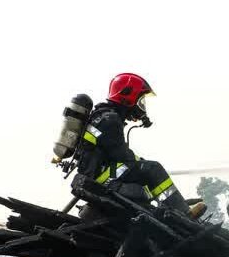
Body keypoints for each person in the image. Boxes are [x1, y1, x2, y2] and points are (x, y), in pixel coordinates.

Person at [74, 73, 203, 216]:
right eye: (140, 101)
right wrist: (142, 163)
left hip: (98, 173)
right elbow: (122, 157)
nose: (142, 107)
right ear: (127, 96)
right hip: (103, 177)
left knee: (144, 171)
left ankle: (172, 207)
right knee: (153, 169)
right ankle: (184, 212)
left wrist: (139, 164)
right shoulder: (110, 120)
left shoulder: (102, 117)